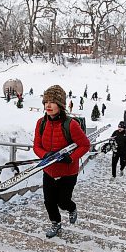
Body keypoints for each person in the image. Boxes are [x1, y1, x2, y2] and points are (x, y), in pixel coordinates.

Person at [33, 85, 90, 238]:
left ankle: (72, 209)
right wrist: (45, 155)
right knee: (49, 202)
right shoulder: (41, 123)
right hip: (49, 171)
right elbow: (36, 146)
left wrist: (70, 158)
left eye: (52, 102)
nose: (48, 105)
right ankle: (56, 223)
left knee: (63, 202)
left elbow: (85, 145)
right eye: (46, 102)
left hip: (67, 172)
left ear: (61, 104)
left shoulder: (71, 125)